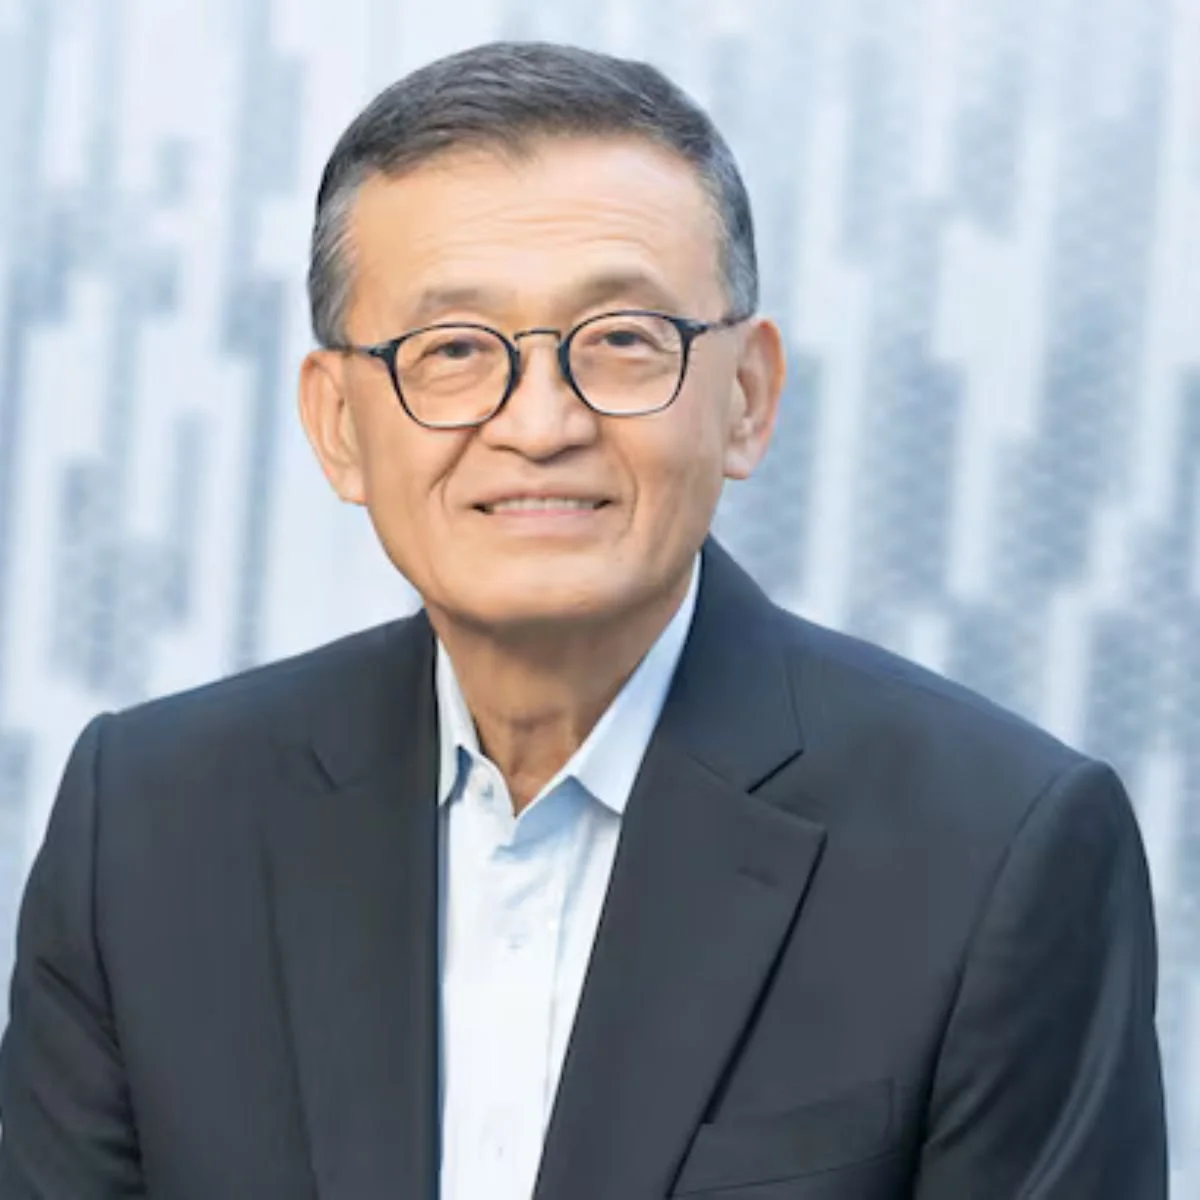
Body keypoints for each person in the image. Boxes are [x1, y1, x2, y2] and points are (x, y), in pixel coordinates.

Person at [0, 39, 1166, 1200]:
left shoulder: (999, 851)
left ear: (748, 398)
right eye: (452, 350)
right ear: (339, 424)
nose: (540, 421)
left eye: (620, 341)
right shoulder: (146, 827)